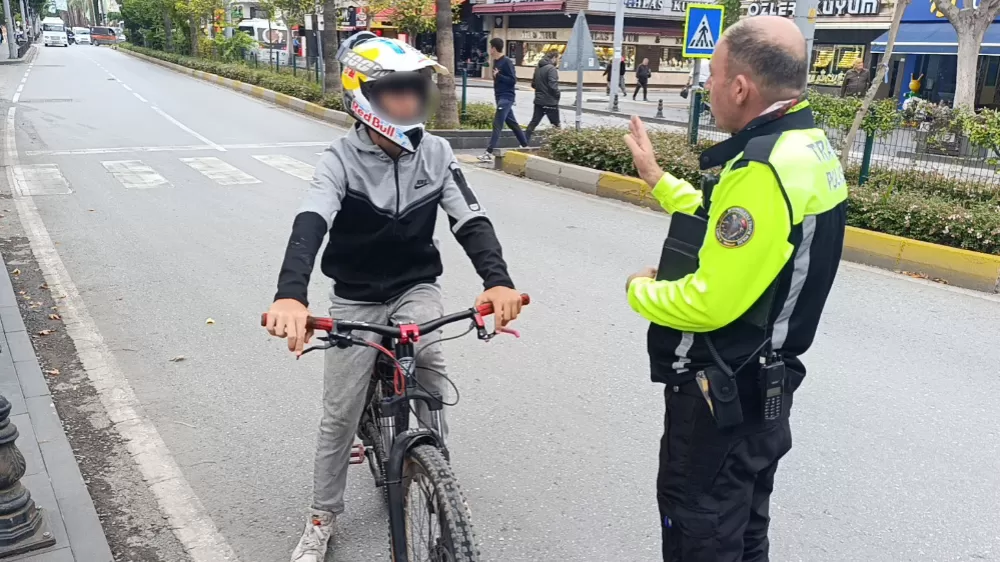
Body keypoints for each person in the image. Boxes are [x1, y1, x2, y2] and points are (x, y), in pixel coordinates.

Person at [264, 31, 524, 562]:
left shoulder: (437, 151)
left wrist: (497, 281)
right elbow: (310, 223)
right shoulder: (339, 159)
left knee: (429, 360)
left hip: (414, 286)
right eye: (395, 91)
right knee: (339, 413)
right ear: (363, 96)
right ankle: (321, 518)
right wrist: (290, 295)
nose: (409, 100)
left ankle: (437, 473)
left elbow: (469, 219)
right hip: (356, 299)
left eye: (415, 88)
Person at [622, 16, 847, 561]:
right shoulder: (808, 147)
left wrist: (638, 291)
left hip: (722, 391)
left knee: (700, 530)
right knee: (744, 530)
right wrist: (658, 179)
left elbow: (708, 301)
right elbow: (733, 228)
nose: (707, 88)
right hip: (766, 387)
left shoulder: (762, 168)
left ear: (740, 87)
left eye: (713, 76)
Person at [478, 37, 528, 163]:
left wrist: (499, 76)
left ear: (494, 48)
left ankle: (488, 152)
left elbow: (513, 80)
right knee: (512, 123)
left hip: (506, 97)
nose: (489, 50)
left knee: (497, 123)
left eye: (490, 47)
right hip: (500, 96)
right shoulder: (496, 62)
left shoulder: (506, 62)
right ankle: (525, 146)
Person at [525, 48, 561, 140]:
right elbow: (553, 86)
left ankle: (523, 142)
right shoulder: (551, 69)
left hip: (539, 101)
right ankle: (559, 143)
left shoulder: (538, 68)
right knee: (556, 125)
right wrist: (557, 95)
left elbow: (533, 84)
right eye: (558, 59)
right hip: (550, 102)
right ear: (554, 58)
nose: (558, 61)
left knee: (534, 122)